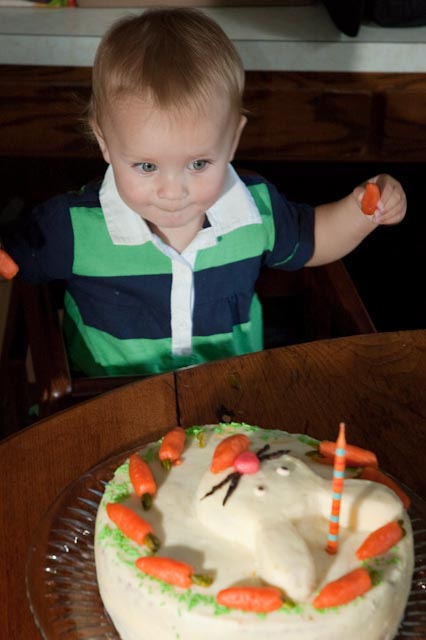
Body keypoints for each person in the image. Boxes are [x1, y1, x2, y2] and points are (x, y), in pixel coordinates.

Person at [2, 8, 406, 378]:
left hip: (229, 406)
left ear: (232, 140)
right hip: (109, 408)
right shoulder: (70, 227)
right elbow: (13, 259)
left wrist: (364, 210)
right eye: (146, 166)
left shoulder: (255, 210)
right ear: (104, 142)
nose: (173, 191)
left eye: (198, 164)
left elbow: (316, 238)